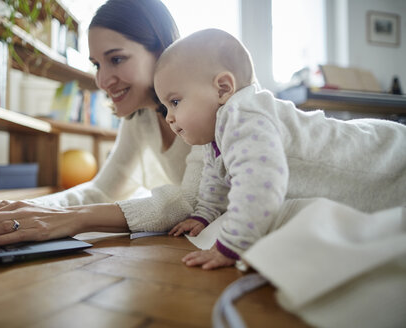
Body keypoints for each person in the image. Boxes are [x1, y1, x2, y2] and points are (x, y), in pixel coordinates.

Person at [0, 0, 204, 246]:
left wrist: (75, 219)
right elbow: (101, 191)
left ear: (160, 51)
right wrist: (25, 208)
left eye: (116, 59)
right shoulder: (140, 118)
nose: (102, 80)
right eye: (96, 64)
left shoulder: (207, 108)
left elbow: (192, 202)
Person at [153, 28, 406, 270]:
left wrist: (230, 245)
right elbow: (216, 180)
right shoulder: (217, 136)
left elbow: (260, 183)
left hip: (381, 158)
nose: (169, 118)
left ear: (223, 88)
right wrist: (204, 215)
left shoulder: (246, 117)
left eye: (175, 102)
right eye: (166, 107)